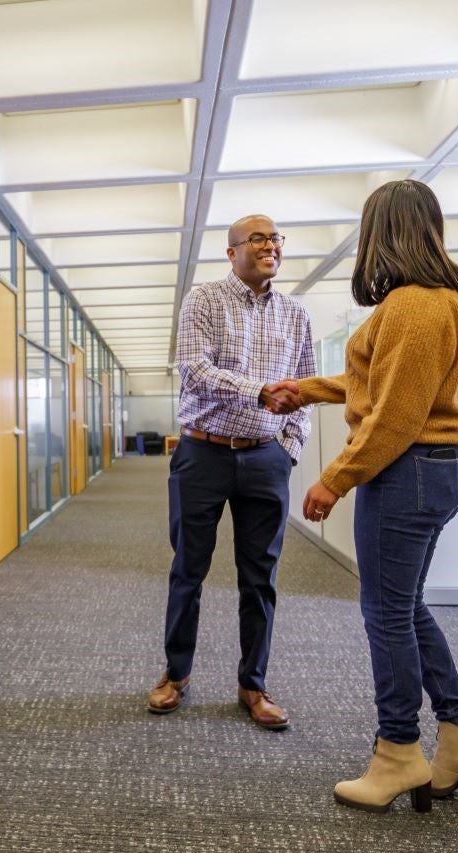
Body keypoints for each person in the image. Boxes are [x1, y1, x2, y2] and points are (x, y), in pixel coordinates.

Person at [263, 180, 458, 812]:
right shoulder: (438, 298)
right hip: (434, 468)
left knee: (387, 613)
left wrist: (334, 478)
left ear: (382, 233)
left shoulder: (415, 304)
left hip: (408, 469)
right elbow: (378, 380)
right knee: (405, 607)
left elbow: (395, 416)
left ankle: (398, 753)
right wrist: (309, 389)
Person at [148, 214, 315, 731]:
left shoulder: (295, 314)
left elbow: (307, 386)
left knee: (259, 577)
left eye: (275, 239)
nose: (270, 246)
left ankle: (253, 684)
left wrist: (289, 446)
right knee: (189, 570)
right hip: (203, 453)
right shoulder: (203, 300)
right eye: (257, 239)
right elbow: (194, 369)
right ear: (232, 251)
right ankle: (176, 674)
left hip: (266, 457)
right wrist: (259, 392)